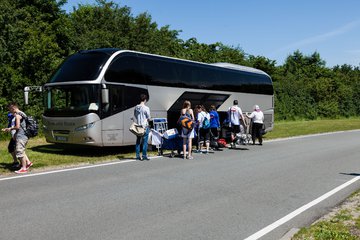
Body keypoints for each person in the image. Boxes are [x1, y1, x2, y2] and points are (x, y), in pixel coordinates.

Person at [2, 102, 33, 173]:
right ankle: (26, 165)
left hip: (21, 136)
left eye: (10, 109)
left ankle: (24, 168)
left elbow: (17, 127)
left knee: (19, 151)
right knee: (21, 150)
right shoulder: (23, 113)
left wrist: (9, 129)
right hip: (24, 135)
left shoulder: (17, 116)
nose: (9, 111)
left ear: (13, 108)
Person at [134, 94, 151, 160]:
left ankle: (137, 156)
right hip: (145, 126)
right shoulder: (146, 108)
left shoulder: (136, 107)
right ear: (145, 100)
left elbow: (135, 115)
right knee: (145, 141)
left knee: (138, 141)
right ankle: (144, 156)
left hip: (138, 126)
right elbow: (149, 117)